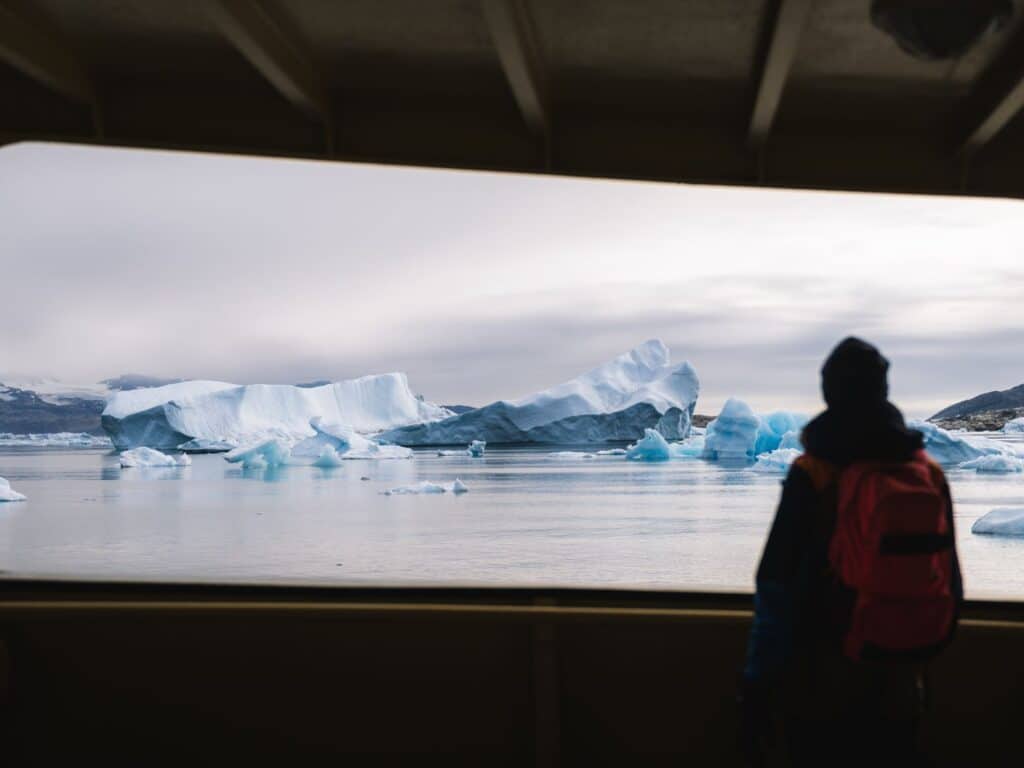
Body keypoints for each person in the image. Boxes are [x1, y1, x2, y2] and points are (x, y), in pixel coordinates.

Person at [739, 337, 962, 767]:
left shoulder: (815, 472)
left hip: (822, 672)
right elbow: (950, 580)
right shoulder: (926, 472)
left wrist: (757, 682)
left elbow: (775, 584)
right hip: (903, 670)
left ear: (829, 391)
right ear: (883, 389)